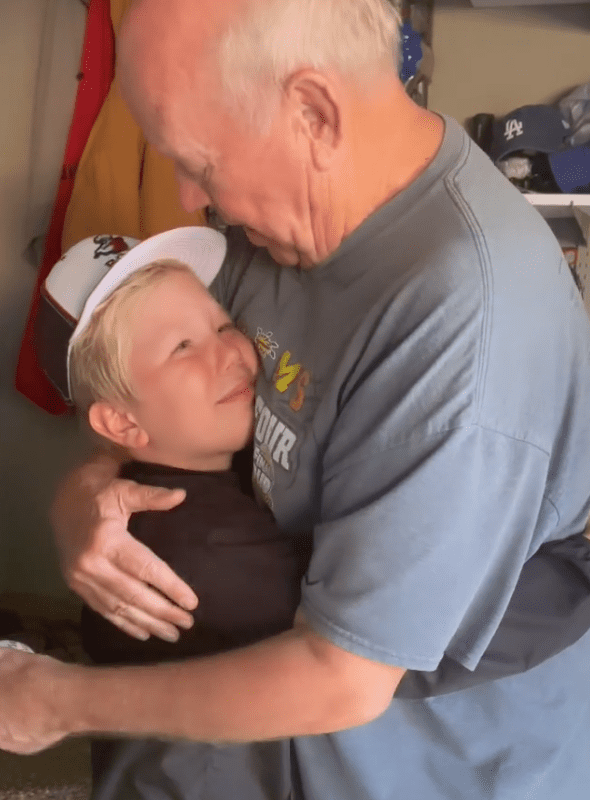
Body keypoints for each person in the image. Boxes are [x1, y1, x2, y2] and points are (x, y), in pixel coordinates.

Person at [1, 1, 590, 799]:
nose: (184, 197)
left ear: (312, 113)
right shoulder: (287, 216)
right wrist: (82, 501)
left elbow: (344, 678)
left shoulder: (463, 321)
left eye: (200, 163)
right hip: (297, 737)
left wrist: (58, 702)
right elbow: (141, 406)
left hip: (437, 763)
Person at [43, 227, 311, 800]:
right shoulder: (197, 550)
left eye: (221, 325)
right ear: (122, 424)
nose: (229, 352)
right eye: (181, 348)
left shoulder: (193, 481)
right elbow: (366, 637)